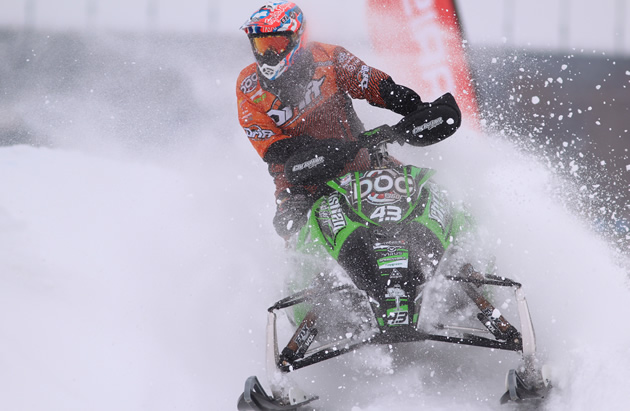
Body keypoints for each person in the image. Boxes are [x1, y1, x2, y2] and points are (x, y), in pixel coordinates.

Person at [236, 0, 461, 241]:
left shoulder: (329, 58)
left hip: (361, 158)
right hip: (300, 178)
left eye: (276, 44)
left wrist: (414, 107)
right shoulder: (249, 88)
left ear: (297, 38)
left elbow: (374, 84)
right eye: (261, 45)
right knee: (291, 226)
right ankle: (309, 274)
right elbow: (274, 149)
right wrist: (326, 150)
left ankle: (460, 256)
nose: (268, 55)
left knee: (430, 192)